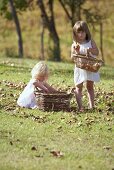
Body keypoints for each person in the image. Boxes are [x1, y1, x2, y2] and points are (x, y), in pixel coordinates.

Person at [71, 21, 100, 112]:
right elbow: (72, 58)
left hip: (90, 67)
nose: (80, 34)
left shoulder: (90, 42)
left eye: (82, 32)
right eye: (78, 32)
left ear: (86, 31)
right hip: (80, 68)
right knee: (78, 87)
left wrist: (90, 50)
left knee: (90, 87)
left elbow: (97, 52)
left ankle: (92, 106)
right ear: (75, 33)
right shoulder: (75, 44)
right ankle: (80, 107)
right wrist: (76, 52)